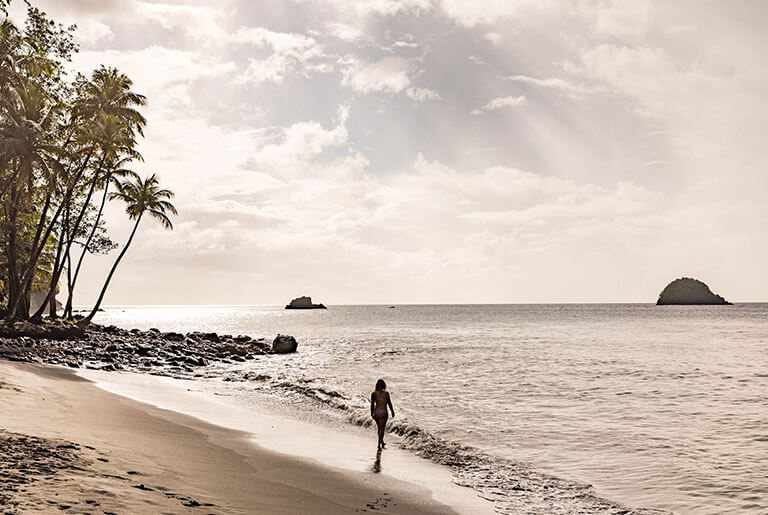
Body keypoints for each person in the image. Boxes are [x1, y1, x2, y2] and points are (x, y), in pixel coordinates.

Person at [370, 379, 395, 449]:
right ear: (384, 385)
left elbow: (372, 405)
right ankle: (379, 444)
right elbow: (389, 403)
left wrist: (371, 413)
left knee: (379, 428)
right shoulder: (386, 394)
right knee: (382, 429)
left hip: (377, 412)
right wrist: (392, 411)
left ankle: (382, 442)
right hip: (384, 412)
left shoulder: (374, 394)